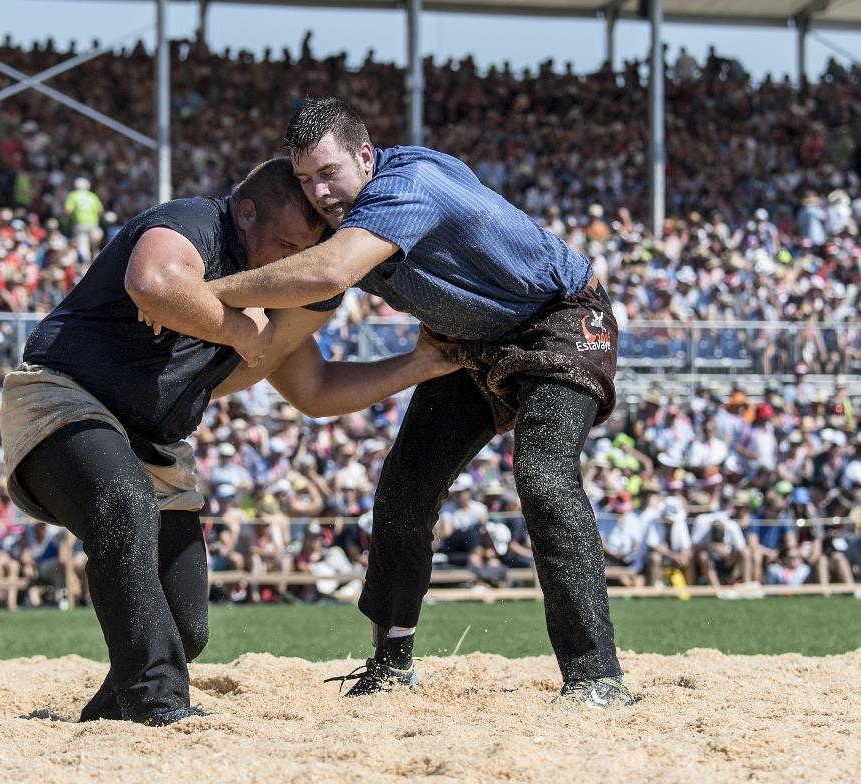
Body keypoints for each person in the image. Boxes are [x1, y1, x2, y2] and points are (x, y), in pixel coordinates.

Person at [1, 157, 457, 727]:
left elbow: (313, 391)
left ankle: (108, 724)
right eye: (286, 241)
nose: (290, 261)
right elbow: (153, 283)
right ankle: (161, 705)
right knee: (121, 503)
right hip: (63, 399)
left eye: (305, 251)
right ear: (245, 214)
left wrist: (417, 364)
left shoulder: (286, 290)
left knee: (184, 627)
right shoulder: (193, 220)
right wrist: (244, 328)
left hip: (156, 444)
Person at [207, 98, 633, 707]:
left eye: (328, 173)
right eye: (304, 180)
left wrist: (198, 293)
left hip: (559, 322)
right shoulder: (343, 218)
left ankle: (596, 676)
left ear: (365, 154)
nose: (319, 193)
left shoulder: (409, 186)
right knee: (405, 487)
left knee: (543, 477)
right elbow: (289, 357)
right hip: (465, 340)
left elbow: (328, 275)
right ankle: (391, 661)